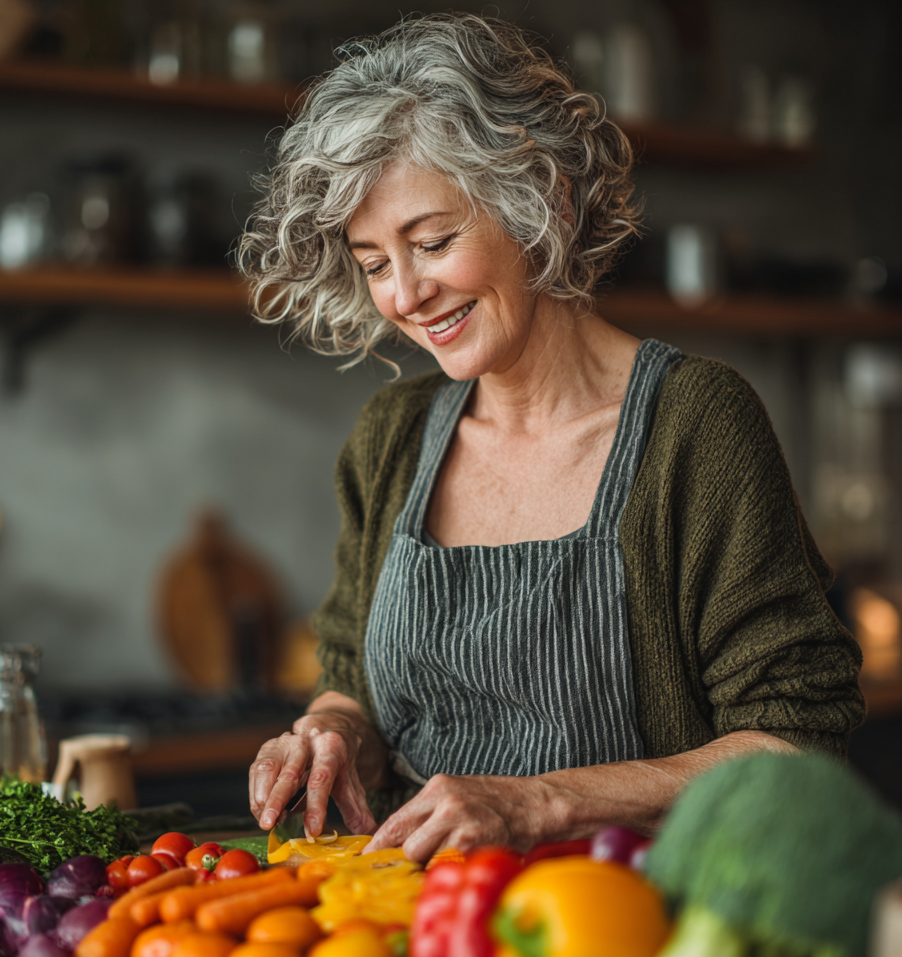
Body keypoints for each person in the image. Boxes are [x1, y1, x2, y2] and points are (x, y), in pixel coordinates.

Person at [237, 14, 865, 862]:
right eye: (375, 261)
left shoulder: (696, 426)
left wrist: (540, 803)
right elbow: (351, 675)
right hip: (413, 931)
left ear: (545, 202)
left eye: (433, 242)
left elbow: (796, 741)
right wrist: (330, 730)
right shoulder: (392, 436)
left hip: (624, 938)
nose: (406, 295)